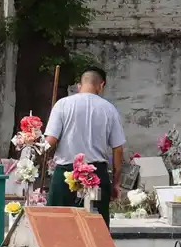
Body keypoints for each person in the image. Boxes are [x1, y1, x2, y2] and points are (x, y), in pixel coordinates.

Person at [44, 66, 125, 225]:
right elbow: (118, 149)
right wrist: (115, 182)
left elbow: (50, 141)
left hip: (65, 174)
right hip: (96, 174)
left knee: (57, 225)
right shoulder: (109, 109)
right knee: (95, 227)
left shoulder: (63, 104)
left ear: (80, 85)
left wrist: (33, 147)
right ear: (101, 85)